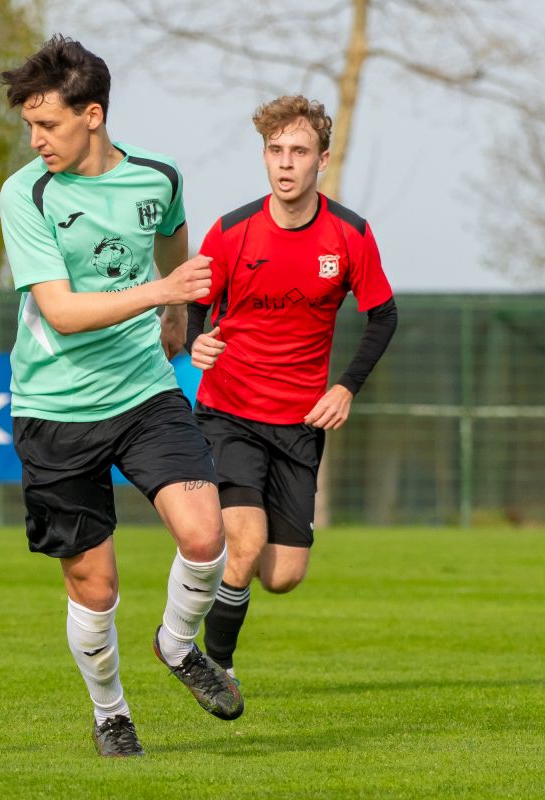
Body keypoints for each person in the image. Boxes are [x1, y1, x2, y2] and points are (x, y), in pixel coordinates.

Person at [0, 35, 243, 759]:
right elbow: (62, 313)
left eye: (48, 124)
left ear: (93, 115)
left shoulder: (157, 177)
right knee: (96, 587)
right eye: (30, 126)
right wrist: (163, 294)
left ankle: (177, 644)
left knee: (206, 536)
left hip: (143, 392)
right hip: (54, 409)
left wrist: (175, 315)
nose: (37, 140)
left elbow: (175, 239)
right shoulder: (26, 193)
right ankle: (111, 714)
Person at [186, 96, 398, 686]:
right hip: (228, 411)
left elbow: (383, 316)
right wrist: (195, 342)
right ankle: (215, 665)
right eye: (275, 150)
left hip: (300, 424)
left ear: (321, 160)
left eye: (299, 151)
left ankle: (216, 577)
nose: (285, 162)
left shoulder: (350, 234)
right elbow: (195, 304)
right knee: (246, 540)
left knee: (282, 575)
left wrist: (346, 387)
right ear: (263, 156)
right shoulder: (231, 231)